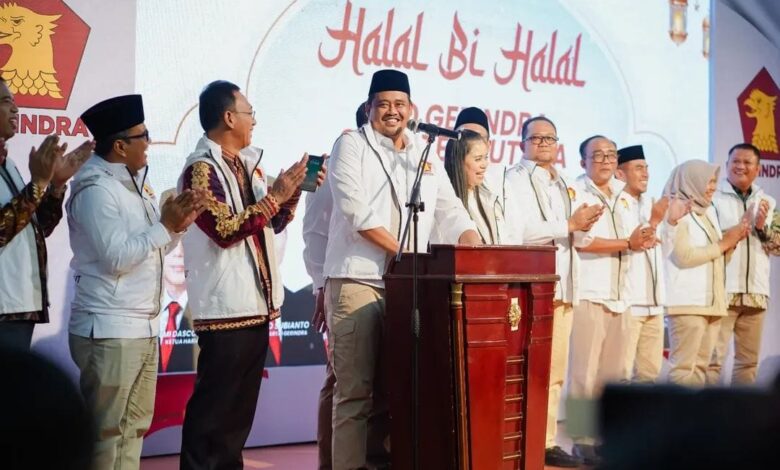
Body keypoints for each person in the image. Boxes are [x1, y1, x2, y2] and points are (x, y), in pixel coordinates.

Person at [324, 69, 480, 469]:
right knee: (355, 393)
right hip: (358, 280)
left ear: (412, 109)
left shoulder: (421, 152)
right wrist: (408, 253)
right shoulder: (351, 145)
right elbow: (356, 212)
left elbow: (449, 209)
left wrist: (474, 245)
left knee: (394, 390)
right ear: (369, 108)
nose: (392, 111)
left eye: (399, 104)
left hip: (406, 285)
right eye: (383, 104)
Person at [178, 80, 318, 470]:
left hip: (254, 306)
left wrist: (291, 193)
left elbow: (268, 225)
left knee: (236, 421)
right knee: (213, 417)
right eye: (249, 112)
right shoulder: (201, 170)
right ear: (228, 117)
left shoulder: (246, 165)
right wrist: (276, 196)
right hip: (225, 309)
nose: (253, 121)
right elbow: (224, 229)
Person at [68, 94, 206, 470]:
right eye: (142, 135)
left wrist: (176, 227)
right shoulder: (96, 190)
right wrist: (164, 227)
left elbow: (151, 248)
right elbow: (117, 258)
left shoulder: (134, 184)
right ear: (119, 146)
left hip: (141, 325)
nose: (148, 142)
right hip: (110, 326)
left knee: (134, 428)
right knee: (105, 432)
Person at [503, 117, 603, 468]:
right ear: (522, 143)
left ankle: (547, 441)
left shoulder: (563, 183)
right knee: (537, 370)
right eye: (537, 138)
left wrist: (583, 225)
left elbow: (575, 236)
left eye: (550, 138)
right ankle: (530, 439)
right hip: (537, 288)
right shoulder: (514, 179)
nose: (544, 143)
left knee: (556, 371)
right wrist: (570, 224)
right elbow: (519, 231)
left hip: (568, 287)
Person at [568, 135, 654, 465]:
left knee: (615, 376)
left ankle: (607, 438)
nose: (605, 160)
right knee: (584, 375)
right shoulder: (577, 192)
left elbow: (634, 239)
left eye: (611, 155)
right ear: (583, 162)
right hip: (591, 293)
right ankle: (581, 439)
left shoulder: (625, 196)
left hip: (623, 296)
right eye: (598, 155)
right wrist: (627, 243)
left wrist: (643, 237)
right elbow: (581, 240)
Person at [0, 78, 93, 350]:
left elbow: (37, 227)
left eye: (14, 102)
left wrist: (55, 186)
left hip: (19, 307)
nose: (15, 109)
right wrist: (38, 184)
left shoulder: (9, 164)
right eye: (5, 102)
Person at [303, 101, 363, 470]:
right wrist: (319, 286)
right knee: (340, 378)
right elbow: (314, 233)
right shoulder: (328, 165)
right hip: (339, 285)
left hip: (387, 284)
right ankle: (329, 462)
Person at [661, 160, 748, 387]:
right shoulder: (676, 211)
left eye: (714, 182)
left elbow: (716, 258)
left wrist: (732, 243)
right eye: (708, 181)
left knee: (701, 368)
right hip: (687, 303)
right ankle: (675, 412)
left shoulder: (708, 212)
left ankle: (693, 412)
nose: (712, 187)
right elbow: (683, 256)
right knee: (683, 368)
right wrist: (723, 244)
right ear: (692, 181)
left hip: (712, 303)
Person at [707, 143, 777, 385]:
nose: (740, 166)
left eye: (747, 162)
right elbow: (708, 240)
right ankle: (709, 408)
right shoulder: (713, 199)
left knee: (748, 363)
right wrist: (740, 227)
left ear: (758, 169)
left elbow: (777, 246)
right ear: (727, 165)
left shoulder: (768, 202)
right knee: (713, 360)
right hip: (722, 291)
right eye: (735, 161)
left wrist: (761, 227)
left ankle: (742, 409)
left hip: (756, 293)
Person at [614, 145, 668, 383]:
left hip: (654, 304)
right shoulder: (616, 204)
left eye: (646, 168)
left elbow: (660, 245)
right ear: (620, 174)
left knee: (649, 376)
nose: (645, 173)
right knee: (622, 375)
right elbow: (636, 241)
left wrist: (667, 221)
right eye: (638, 168)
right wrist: (655, 221)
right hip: (630, 303)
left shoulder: (650, 203)